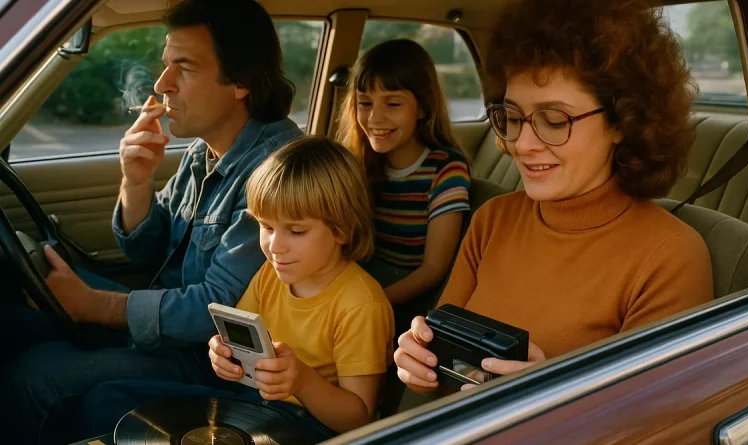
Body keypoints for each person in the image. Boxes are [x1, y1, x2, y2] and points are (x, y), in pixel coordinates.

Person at [0, 0, 301, 442]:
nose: (162, 85)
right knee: (13, 308)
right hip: (163, 321)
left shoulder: (277, 169)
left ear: (240, 81)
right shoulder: (205, 150)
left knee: (34, 378)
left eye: (185, 68)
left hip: (208, 358)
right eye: (165, 66)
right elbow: (145, 251)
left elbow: (216, 311)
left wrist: (93, 305)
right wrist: (135, 182)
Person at [394, 0, 714, 394]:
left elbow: (651, 422)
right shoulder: (492, 220)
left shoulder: (669, 257)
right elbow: (442, 359)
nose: (522, 144)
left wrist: (549, 397)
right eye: (513, 117)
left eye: (555, 120)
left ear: (622, 122)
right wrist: (421, 365)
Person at [75, 136, 393, 441]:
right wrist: (222, 353)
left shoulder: (360, 304)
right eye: (266, 227)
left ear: (342, 229)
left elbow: (358, 417)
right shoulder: (270, 273)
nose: (275, 246)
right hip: (248, 401)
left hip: (308, 424)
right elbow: (237, 336)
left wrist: (303, 381)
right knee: (108, 400)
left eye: (296, 231)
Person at [337, 39, 471, 332]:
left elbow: (432, 270)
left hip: (406, 303)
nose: (374, 118)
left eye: (393, 103)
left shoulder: (445, 170)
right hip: (359, 284)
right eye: (365, 103)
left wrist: (371, 301)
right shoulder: (357, 164)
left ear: (422, 108)